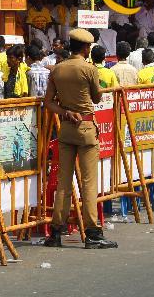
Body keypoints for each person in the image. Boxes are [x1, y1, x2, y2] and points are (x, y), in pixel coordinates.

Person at [43, 28, 117, 249]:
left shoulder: (57, 69)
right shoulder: (89, 69)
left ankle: (56, 231)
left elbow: (48, 102)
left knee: (63, 183)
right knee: (88, 182)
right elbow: (96, 98)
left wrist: (66, 112)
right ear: (86, 48)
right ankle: (93, 233)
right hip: (86, 128)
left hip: (66, 127)